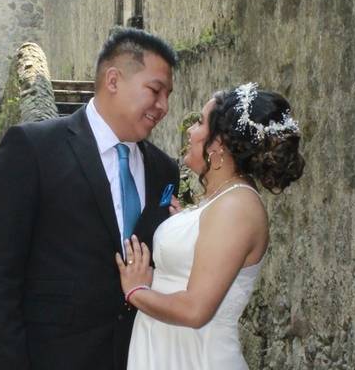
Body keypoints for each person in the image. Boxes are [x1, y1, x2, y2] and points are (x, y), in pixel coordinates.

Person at [0, 27, 181, 370]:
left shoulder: (164, 171)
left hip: (136, 356)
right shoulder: (34, 148)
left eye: (168, 95)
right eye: (155, 91)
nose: (163, 106)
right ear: (113, 80)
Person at [116, 83, 305, 370]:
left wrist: (135, 291)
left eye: (200, 123)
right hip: (168, 351)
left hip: (196, 359)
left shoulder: (236, 207)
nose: (190, 131)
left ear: (218, 144)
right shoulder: (218, 200)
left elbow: (195, 310)